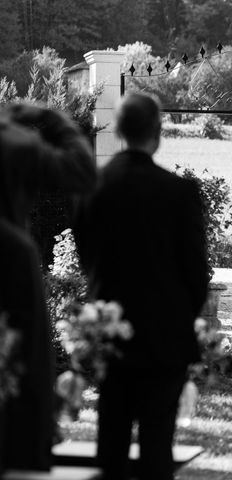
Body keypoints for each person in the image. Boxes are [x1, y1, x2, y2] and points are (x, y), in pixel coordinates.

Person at [73, 92, 209, 480]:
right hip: (165, 338)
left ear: (117, 131)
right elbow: (196, 275)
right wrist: (181, 316)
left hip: (109, 335)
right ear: (158, 133)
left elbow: (88, 263)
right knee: (157, 446)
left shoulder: (91, 189)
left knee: (110, 442)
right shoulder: (179, 193)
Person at [0, 103, 95, 471]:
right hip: (7, 257)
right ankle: (27, 439)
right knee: (26, 353)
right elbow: (82, 172)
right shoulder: (14, 140)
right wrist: (56, 121)